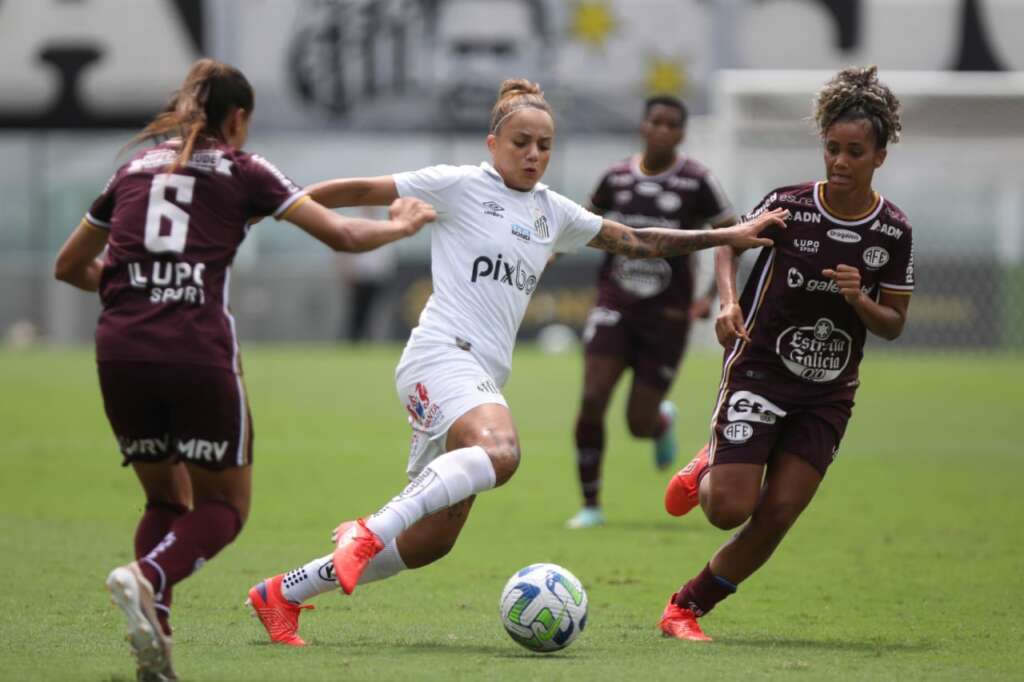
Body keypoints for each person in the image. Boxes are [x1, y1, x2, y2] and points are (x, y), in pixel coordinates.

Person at [245, 78, 788, 647]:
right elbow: (359, 188)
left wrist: (729, 233)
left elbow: (641, 240)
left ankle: (282, 593)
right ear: (492, 143)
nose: (533, 154)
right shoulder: (455, 185)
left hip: (476, 374)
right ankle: (368, 529)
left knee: (433, 541)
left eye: (544, 145)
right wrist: (278, 205)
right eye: (521, 142)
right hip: (439, 355)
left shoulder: (554, 211)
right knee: (501, 452)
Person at [53, 58, 436, 681]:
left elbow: (69, 267)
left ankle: (158, 634)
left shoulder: (130, 170)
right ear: (237, 118)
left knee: (165, 498)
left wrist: (136, 291)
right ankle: (147, 577)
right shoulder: (243, 169)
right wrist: (401, 225)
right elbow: (340, 234)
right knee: (225, 507)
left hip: (119, 349)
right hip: (194, 350)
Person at [659, 66, 914, 641]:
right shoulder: (789, 208)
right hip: (761, 372)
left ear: (879, 157)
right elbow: (729, 246)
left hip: (827, 393)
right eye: (832, 148)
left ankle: (685, 608)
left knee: (778, 514)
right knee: (728, 509)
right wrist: (729, 306)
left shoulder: (892, 233)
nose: (840, 161)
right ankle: (709, 463)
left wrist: (860, 300)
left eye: (855, 152)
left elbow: (895, 324)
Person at [566, 95, 737, 530]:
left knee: (637, 423)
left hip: (668, 315)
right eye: (655, 121)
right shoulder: (616, 178)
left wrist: (709, 297)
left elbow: (733, 236)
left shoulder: (698, 181)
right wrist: (545, 253)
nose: (662, 130)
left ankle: (660, 421)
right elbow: (582, 225)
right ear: (642, 126)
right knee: (591, 398)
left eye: (671, 124)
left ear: (681, 133)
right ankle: (591, 504)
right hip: (615, 305)